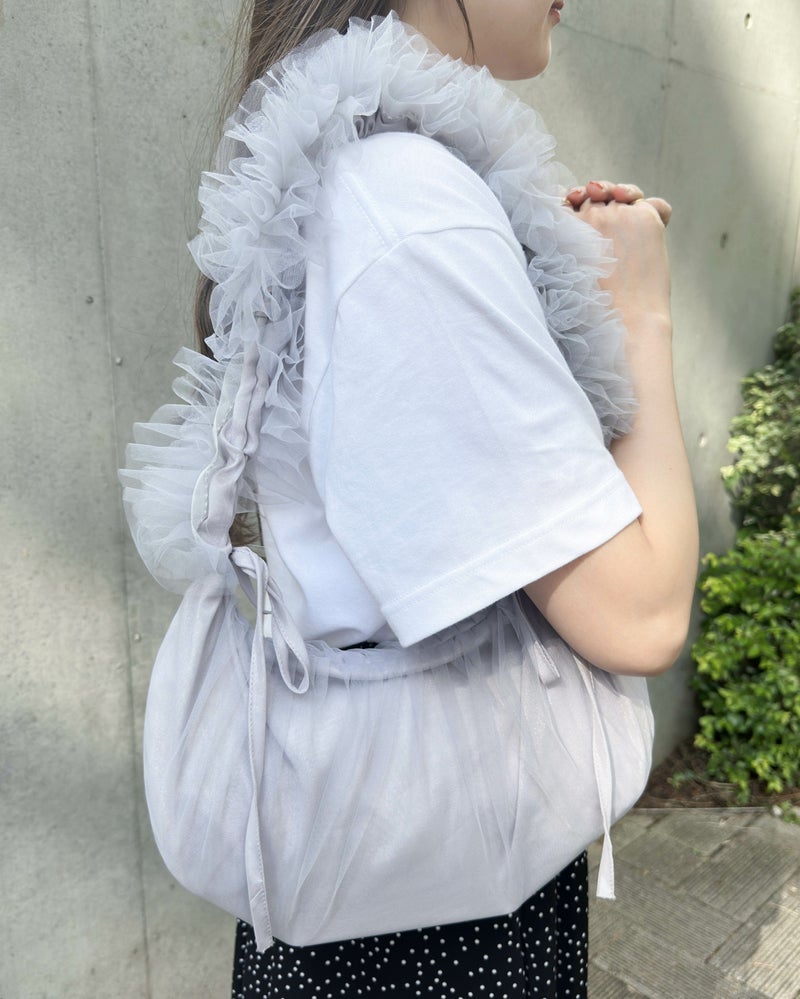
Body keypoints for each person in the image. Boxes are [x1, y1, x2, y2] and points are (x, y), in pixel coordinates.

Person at [130, 1, 698, 996]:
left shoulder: (353, 172)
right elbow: (639, 615)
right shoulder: (405, 203)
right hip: (432, 918)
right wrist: (641, 314)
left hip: (387, 872)